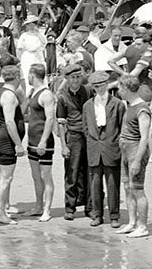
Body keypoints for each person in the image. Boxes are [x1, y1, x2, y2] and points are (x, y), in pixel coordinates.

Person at [83, 70, 124, 229]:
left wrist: (114, 141)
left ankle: (114, 215)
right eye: (96, 87)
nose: (99, 89)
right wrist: (93, 141)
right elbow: (85, 127)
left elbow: (121, 126)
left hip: (111, 148)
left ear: (107, 85)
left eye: (101, 86)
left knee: (113, 183)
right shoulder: (88, 105)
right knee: (95, 183)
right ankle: (97, 214)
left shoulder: (117, 104)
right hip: (94, 149)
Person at [116, 75, 152, 238]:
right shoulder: (130, 106)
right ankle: (132, 222)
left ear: (126, 88)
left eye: (119, 88)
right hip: (125, 150)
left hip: (135, 150)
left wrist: (137, 160)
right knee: (127, 188)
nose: (118, 91)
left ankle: (143, 226)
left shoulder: (142, 108)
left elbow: (144, 137)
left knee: (137, 189)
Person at [0, 64, 26, 226]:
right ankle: (1, 212)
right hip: (6, 140)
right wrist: (18, 144)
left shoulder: (0, 92)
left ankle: (1, 209)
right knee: (6, 178)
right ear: (17, 77)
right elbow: (10, 121)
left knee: (0, 177)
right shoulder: (9, 96)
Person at [56, 62, 91, 221]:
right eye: (73, 78)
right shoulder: (63, 98)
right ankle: (70, 207)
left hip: (89, 136)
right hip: (73, 138)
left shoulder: (88, 91)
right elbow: (61, 123)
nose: (76, 80)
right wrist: (63, 145)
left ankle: (89, 206)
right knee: (72, 172)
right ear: (67, 79)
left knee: (89, 173)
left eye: (78, 77)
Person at [26, 64, 57, 222]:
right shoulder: (33, 92)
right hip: (32, 139)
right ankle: (38, 205)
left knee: (46, 176)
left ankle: (47, 209)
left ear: (33, 75)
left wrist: (44, 140)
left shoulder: (46, 94)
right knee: (36, 176)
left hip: (43, 140)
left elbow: (50, 118)